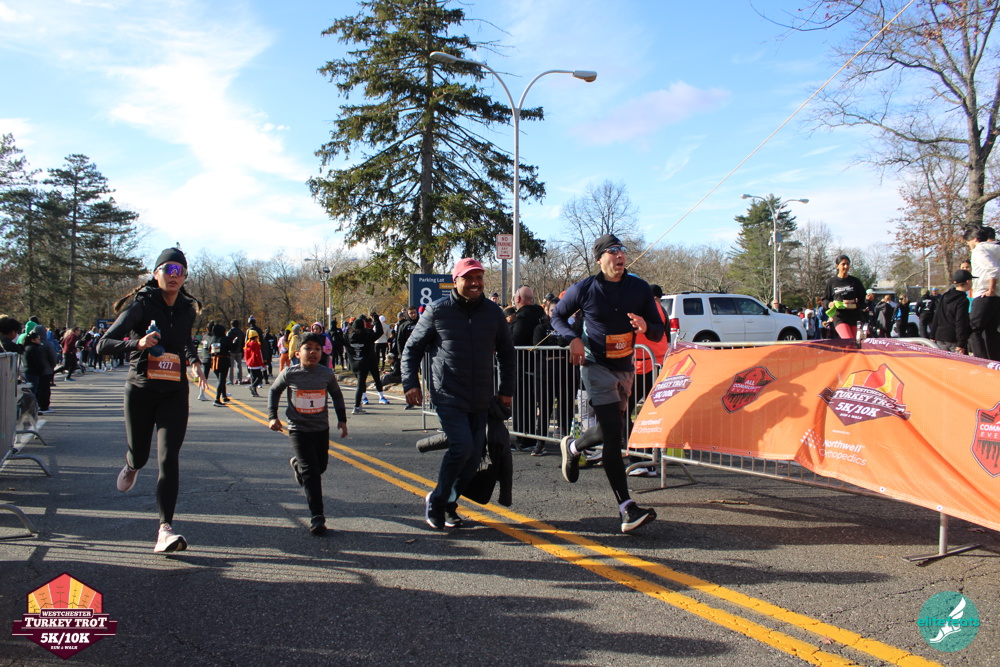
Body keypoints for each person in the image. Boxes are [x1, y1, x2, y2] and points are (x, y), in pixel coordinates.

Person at [97, 247, 209, 553]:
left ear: (184, 277)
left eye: (179, 271)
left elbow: (185, 341)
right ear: (156, 273)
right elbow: (103, 344)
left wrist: (195, 361)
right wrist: (138, 343)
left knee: (168, 458)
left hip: (174, 391)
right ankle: (132, 464)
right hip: (141, 390)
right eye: (168, 269)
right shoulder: (142, 305)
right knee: (141, 455)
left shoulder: (188, 309)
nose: (174, 276)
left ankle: (165, 530)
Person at [550, 235, 664, 534]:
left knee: (612, 429)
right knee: (614, 435)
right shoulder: (584, 289)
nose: (619, 255)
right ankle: (627, 508)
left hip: (625, 367)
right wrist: (572, 339)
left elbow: (658, 330)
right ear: (600, 259)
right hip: (595, 365)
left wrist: (646, 326)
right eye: (612, 251)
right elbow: (557, 316)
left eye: (622, 251)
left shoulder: (639, 288)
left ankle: (574, 446)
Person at [402, 258, 515, 530]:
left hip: (481, 396)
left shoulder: (493, 312)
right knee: (462, 447)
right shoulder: (437, 310)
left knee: (474, 457)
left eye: (479, 277)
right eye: (468, 278)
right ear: (456, 281)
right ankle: (437, 501)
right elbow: (412, 349)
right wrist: (410, 383)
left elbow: (507, 354)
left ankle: (449, 504)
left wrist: (506, 391)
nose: (475, 283)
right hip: (448, 393)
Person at [268, 333, 349, 535]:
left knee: (320, 467)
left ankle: (298, 465)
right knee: (312, 473)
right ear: (298, 353)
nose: (313, 352)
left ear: (322, 353)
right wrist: (272, 416)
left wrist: (342, 420)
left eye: (317, 349)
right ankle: (317, 517)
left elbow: (337, 395)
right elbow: (274, 391)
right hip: (298, 429)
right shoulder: (290, 373)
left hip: (320, 428)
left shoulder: (326, 374)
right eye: (308, 348)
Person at [510, 285, 547, 453]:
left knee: (521, 404)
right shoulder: (541, 315)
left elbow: (514, 338)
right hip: (536, 365)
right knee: (530, 404)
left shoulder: (523, 317)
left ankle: (523, 439)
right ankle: (530, 437)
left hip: (522, 365)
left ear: (518, 299)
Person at [964, 226, 1000, 360]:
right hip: (997, 296)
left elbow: (993, 269)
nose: (968, 245)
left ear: (975, 239)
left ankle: (981, 361)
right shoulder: (996, 248)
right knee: (990, 331)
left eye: (968, 241)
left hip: (984, 294)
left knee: (973, 329)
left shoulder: (979, 250)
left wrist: (991, 289)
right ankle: (995, 361)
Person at [348, 312, 389, 413]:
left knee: (361, 383)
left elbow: (337, 338)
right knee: (362, 384)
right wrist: (376, 319)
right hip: (366, 361)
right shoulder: (368, 335)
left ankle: (364, 401)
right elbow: (379, 332)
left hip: (355, 363)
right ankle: (358, 405)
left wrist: (349, 325)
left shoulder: (348, 336)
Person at [821, 254, 867, 341]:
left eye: (848, 264)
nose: (846, 266)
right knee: (848, 340)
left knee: (855, 343)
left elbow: (863, 300)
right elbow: (824, 299)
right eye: (843, 264)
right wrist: (829, 304)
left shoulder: (855, 281)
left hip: (854, 316)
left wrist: (855, 304)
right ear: (837, 265)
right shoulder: (831, 282)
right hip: (839, 316)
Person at [932, 271, 973, 355]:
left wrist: (932, 335)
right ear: (968, 282)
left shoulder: (945, 296)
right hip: (953, 338)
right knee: (958, 362)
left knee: (943, 361)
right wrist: (961, 342)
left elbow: (937, 315)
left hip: (940, 336)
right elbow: (960, 321)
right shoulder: (962, 300)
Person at [209, 323, 232, 406]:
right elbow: (231, 347)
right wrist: (235, 341)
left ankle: (224, 396)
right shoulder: (225, 339)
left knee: (220, 379)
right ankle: (217, 399)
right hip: (223, 360)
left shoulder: (212, 339)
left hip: (214, 361)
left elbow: (208, 348)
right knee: (221, 380)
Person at [245, 329, 265, 397]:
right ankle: (253, 386)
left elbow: (246, 354)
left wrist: (247, 362)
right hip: (256, 363)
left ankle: (254, 392)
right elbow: (258, 355)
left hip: (250, 363)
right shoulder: (256, 344)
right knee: (260, 377)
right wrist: (262, 364)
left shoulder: (247, 344)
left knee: (253, 377)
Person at [227, 319, 245, 384]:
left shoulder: (229, 332)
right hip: (239, 350)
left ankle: (231, 380)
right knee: (239, 366)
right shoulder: (241, 332)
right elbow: (243, 342)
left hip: (231, 350)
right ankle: (239, 380)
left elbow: (227, 341)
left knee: (231, 366)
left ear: (231, 325)